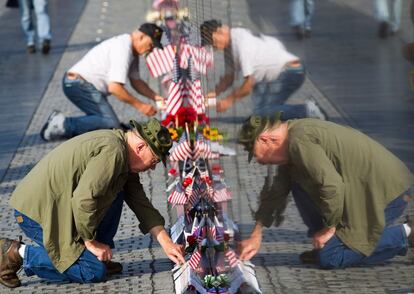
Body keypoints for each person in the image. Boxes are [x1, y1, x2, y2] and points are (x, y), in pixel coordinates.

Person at [0, 118, 185, 288]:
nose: (152, 168)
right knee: (92, 272)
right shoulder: (113, 152)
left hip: (60, 208)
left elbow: (139, 201)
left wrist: (166, 242)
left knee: (119, 190)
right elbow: (84, 200)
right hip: (37, 214)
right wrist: (90, 243)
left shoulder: (121, 149)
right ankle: (14, 253)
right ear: (140, 147)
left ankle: (95, 256)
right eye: (153, 161)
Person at [237, 113, 414, 269]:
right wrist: (256, 233)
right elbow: (278, 189)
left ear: (266, 139)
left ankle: (408, 232)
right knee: (297, 184)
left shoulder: (300, 141)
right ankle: (332, 242)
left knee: (331, 257)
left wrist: (330, 228)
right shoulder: (293, 136)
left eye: (260, 156)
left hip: (386, 193)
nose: (262, 162)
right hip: (364, 190)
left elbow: (331, 187)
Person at [40, 23, 166, 142]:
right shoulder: (123, 49)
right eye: (150, 44)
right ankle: (62, 124)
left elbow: (136, 81)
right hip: (77, 84)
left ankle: (103, 125)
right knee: (109, 123)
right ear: (141, 36)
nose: (150, 49)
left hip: (81, 84)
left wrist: (156, 97)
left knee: (109, 123)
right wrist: (141, 106)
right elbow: (115, 88)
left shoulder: (131, 51)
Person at [200, 20, 325, 121]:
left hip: (289, 72)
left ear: (220, 31)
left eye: (212, 41)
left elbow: (248, 85)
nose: (213, 46)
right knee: (261, 114)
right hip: (273, 75)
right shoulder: (229, 46)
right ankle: (273, 112)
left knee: (262, 113)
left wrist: (228, 100)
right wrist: (215, 93)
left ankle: (307, 110)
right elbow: (229, 77)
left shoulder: (242, 44)